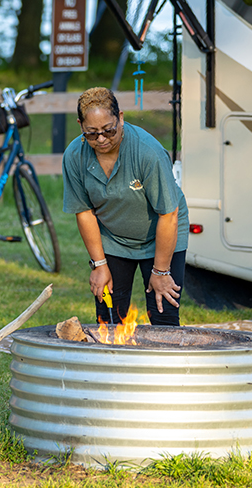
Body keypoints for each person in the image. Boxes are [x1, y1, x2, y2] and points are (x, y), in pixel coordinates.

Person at [62, 87, 188, 326]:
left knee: (163, 313)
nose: (101, 139)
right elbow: (84, 212)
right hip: (113, 239)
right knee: (109, 316)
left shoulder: (147, 152)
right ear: (81, 126)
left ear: (120, 117)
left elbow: (169, 214)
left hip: (161, 234)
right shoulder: (74, 156)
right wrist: (99, 265)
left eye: (108, 130)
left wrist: (161, 272)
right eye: (91, 133)